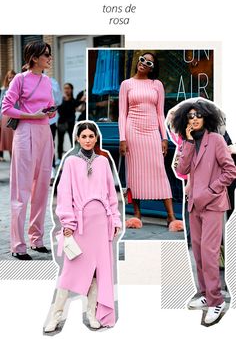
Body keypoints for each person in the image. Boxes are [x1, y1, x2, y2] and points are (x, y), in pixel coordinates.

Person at [44, 121, 121, 332]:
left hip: (101, 224)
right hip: (79, 225)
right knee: (70, 271)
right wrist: (67, 222)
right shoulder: (70, 162)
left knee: (97, 271)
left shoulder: (104, 162)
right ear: (77, 138)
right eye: (84, 136)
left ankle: (92, 314)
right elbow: (64, 195)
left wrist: (115, 219)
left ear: (96, 138)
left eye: (91, 136)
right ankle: (55, 315)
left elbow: (111, 195)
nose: (88, 140)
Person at [172, 100, 236, 324]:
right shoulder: (188, 142)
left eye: (198, 115)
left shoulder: (216, 140)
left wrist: (210, 190)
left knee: (209, 255)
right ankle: (205, 294)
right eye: (190, 116)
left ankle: (216, 301)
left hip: (213, 204)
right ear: (185, 121)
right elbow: (181, 170)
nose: (194, 118)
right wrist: (188, 143)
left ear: (206, 117)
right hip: (193, 205)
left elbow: (230, 171)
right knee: (197, 253)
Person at [1, 40, 56, 260]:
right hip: (25, 134)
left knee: (42, 189)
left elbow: (49, 106)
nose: (49, 58)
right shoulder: (19, 79)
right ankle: (17, 245)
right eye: (46, 55)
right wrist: (31, 115)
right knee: (21, 191)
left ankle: (36, 239)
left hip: (45, 134)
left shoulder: (47, 81)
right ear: (34, 58)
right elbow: (6, 107)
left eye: (50, 54)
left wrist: (50, 112)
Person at [118, 52, 180, 228]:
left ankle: (171, 216)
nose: (144, 63)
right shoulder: (126, 84)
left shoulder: (157, 84)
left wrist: (164, 137)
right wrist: (122, 138)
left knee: (159, 170)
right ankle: (137, 214)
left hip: (152, 131)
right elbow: (122, 113)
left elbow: (161, 113)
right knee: (134, 173)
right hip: (133, 132)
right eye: (142, 60)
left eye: (149, 63)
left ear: (153, 67)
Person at [57, 83, 77, 163]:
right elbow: (60, 111)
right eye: (65, 88)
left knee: (72, 141)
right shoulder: (61, 100)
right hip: (62, 122)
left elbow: (73, 110)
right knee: (60, 141)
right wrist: (64, 102)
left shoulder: (73, 100)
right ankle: (59, 158)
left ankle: (75, 156)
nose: (66, 90)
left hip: (71, 123)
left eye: (68, 88)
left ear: (71, 89)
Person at [0, 70, 16, 159]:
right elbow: (0, 105)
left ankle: (14, 157)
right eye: (10, 77)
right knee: (8, 139)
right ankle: (11, 158)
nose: (11, 79)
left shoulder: (19, 88)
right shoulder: (4, 90)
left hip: (16, 115)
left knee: (15, 138)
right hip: (5, 116)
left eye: (13, 77)